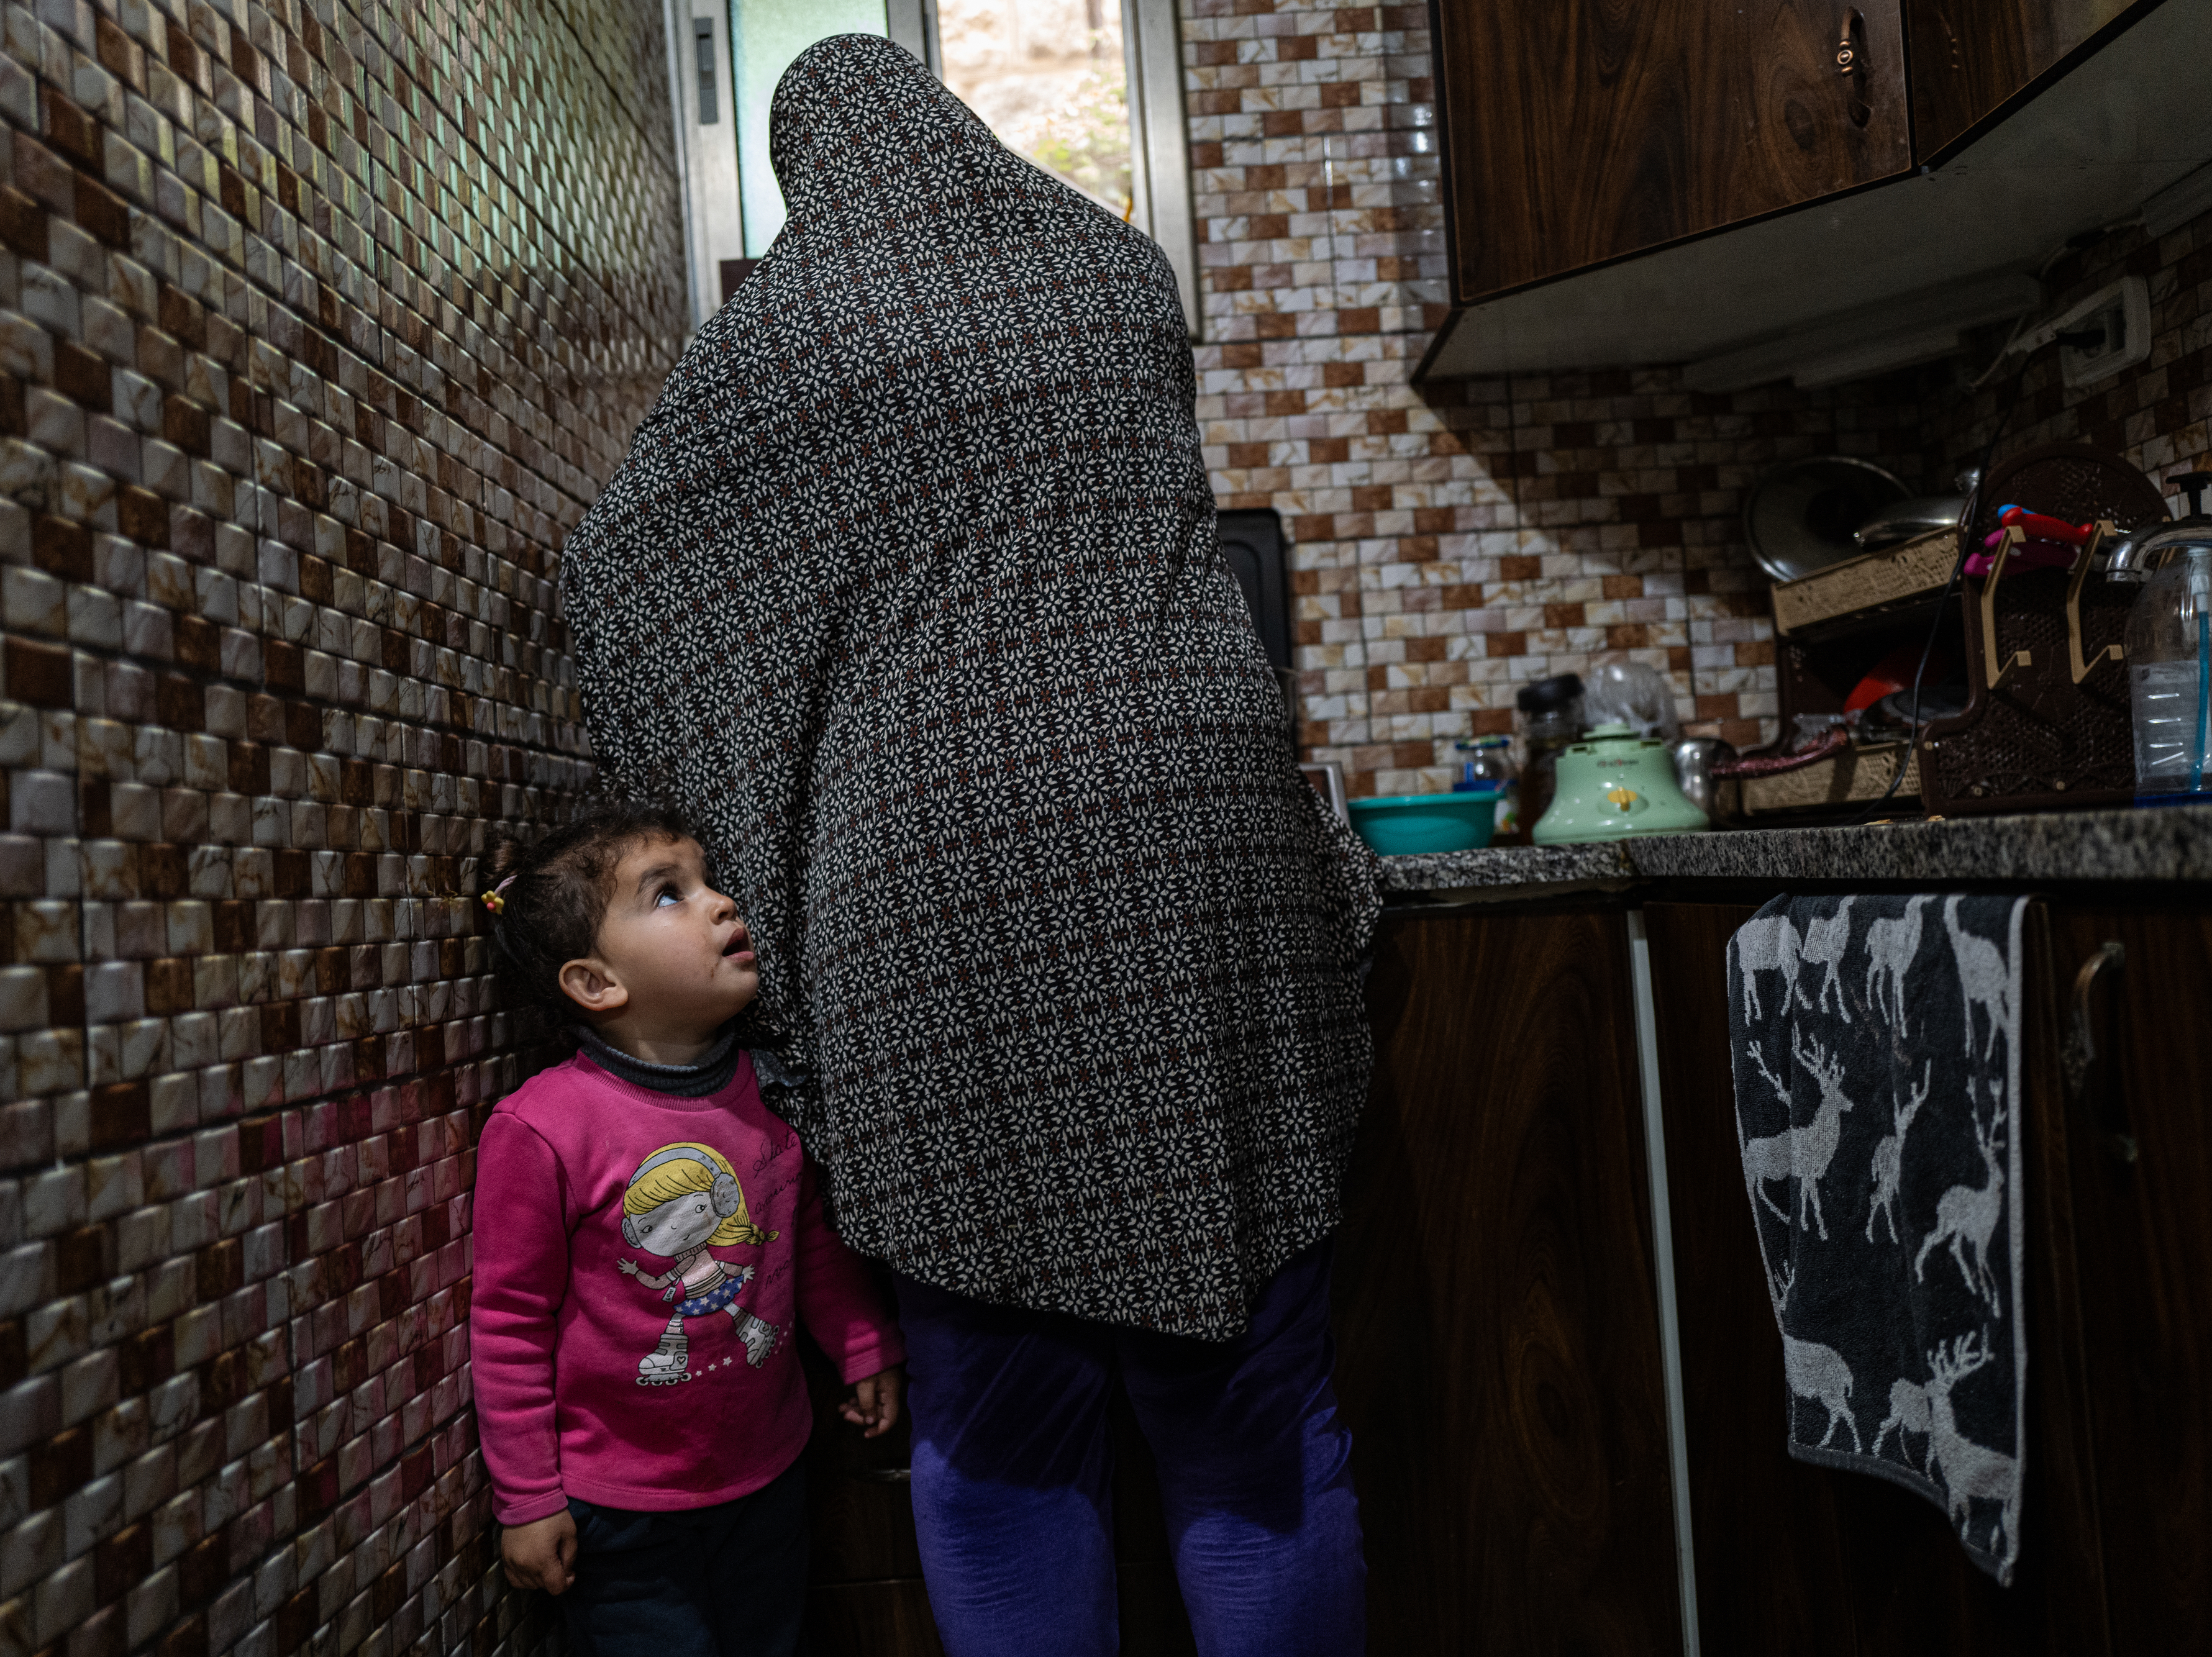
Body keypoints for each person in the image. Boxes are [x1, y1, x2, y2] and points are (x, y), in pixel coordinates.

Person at [559, 34, 1380, 1657]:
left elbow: (620, 570)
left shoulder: (783, 337)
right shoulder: (1117, 270)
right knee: (1258, 1419)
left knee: (1001, 1430)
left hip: (938, 895)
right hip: (1206, 846)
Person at [467, 801, 906, 1657]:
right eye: (669, 894)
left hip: (768, 1476)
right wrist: (528, 1499)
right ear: (595, 983)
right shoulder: (544, 1128)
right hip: (620, 1510)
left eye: (708, 881)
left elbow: (804, 1235)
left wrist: (861, 1343)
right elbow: (509, 1322)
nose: (720, 904)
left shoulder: (764, 1087)